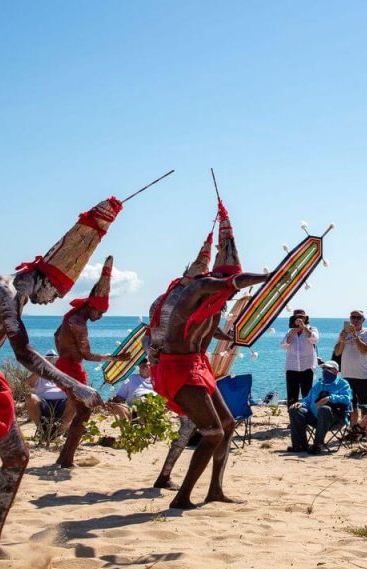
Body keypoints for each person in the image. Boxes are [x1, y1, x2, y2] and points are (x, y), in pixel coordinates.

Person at [0, 196, 120, 566]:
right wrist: (75, 386)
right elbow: (23, 353)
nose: (54, 301)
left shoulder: (19, 298)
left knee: (17, 458)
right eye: (56, 292)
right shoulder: (5, 293)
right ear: (45, 280)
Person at [146, 197, 271, 509]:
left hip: (196, 366)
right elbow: (234, 282)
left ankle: (214, 489)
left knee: (226, 425)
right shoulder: (195, 289)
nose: (231, 291)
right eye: (226, 283)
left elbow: (199, 324)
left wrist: (226, 335)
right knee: (213, 432)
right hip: (178, 369)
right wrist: (270, 277)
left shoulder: (207, 299)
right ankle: (182, 497)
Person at [54, 256, 129, 468]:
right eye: (101, 312)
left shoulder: (71, 317)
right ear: (93, 308)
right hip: (71, 369)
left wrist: (63, 352)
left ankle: (64, 457)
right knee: (84, 412)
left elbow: (55, 334)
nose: (101, 317)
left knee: (83, 411)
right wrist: (114, 358)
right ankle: (66, 459)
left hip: (64, 365)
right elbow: (87, 355)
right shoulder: (78, 323)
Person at [107, 357, 198, 490]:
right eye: (142, 364)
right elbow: (120, 397)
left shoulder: (157, 379)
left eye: (147, 364)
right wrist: (112, 401)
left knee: (147, 402)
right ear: (138, 367)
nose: (145, 366)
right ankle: (128, 436)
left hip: (153, 408)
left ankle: (142, 432)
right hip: (132, 408)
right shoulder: (132, 379)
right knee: (119, 408)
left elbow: (167, 398)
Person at [287, 360, 353, 454]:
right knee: (295, 410)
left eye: (328, 368)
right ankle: (300, 445)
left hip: (335, 419)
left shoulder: (343, 384)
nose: (325, 370)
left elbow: (347, 398)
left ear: (336, 371)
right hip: (315, 418)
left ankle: (317, 445)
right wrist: (302, 403)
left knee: (324, 409)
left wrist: (330, 398)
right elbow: (309, 398)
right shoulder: (319, 384)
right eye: (323, 368)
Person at [334, 310, 367, 426]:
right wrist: (342, 339)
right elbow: (337, 352)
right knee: (351, 406)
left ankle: (364, 432)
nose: (355, 320)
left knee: (365, 407)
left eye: (358, 318)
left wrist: (354, 335)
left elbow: (364, 350)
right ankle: (353, 431)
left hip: (363, 375)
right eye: (353, 317)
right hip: (347, 375)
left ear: (363, 320)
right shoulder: (343, 333)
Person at [23, 350, 74, 440]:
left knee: (74, 401)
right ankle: (41, 431)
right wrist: (41, 368)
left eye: (54, 358)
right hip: (44, 403)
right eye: (49, 359)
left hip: (62, 403)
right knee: (29, 397)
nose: (52, 361)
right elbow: (28, 383)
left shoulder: (63, 371)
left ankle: (59, 433)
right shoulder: (39, 373)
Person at [282, 308, 319, 406]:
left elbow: (314, 339)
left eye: (301, 317)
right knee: (292, 396)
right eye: (297, 317)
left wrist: (303, 328)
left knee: (307, 395)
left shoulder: (312, 329)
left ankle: (307, 418)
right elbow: (283, 345)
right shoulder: (290, 331)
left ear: (306, 318)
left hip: (307, 367)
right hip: (292, 368)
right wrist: (293, 333)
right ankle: (293, 418)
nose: (299, 319)